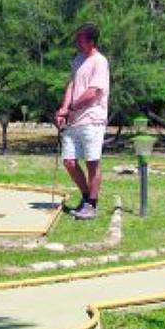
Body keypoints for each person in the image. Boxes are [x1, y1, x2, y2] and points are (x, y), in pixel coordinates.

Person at [55, 23, 110, 220]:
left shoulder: (100, 61)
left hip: (92, 119)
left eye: (81, 39)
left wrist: (71, 109)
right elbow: (72, 84)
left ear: (91, 41)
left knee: (92, 162)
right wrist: (64, 108)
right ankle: (86, 197)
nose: (77, 42)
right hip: (74, 119)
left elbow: (93, 93)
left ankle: (92, 204)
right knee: (69, 161)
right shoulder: (78, 59)